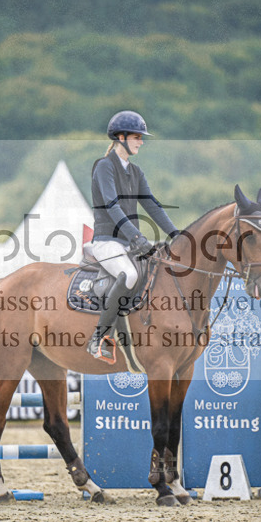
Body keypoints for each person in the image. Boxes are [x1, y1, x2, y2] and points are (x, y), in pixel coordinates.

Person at [86, 110, 179, 362]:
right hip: (106, 242)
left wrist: (176, 234)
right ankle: (98, 338)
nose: (141, 142)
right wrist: (137, 237)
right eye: (137, 137)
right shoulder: (104, 167)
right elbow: (112, 206)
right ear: (121, 137)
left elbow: (152, 206)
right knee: (130, 275)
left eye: (141, 137)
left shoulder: (136, 172)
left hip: (128, 243)